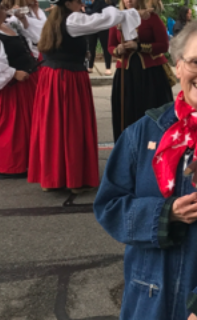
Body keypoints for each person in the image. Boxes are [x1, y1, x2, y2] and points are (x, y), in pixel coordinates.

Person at [94, 19, 197, 320]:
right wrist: (164, 215)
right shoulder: (142, 134)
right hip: (147, 300)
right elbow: (110, 207)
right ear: (178, 66)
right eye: (195, 62)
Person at [28, 0, 141, 192]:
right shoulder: (72, 20)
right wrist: (127, 12)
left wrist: (127, 13)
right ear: (70, 2)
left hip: (53, 76)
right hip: (67, 78)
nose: (82, 3)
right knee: (72, 126)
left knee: (54, 126)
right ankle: (73, 178)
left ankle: (53, 177)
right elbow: (104, 20)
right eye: (79, 1)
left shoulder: (55, 19)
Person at [0, 0, 39, 179]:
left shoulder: (8, 25)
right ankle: (11, 165)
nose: (4, 9)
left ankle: (27, 161)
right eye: (0, 8)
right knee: (11, 126)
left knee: (26, 124)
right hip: (8, 87)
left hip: (24, 82)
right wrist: (13, 73)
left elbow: (32, 41)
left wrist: (24, 21)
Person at [108, 0, 173, 142]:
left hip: (150, 74)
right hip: (126, 74)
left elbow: (163, 45)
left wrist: (139, 46)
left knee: (148, 109)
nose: (129, 1)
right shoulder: (118, 18)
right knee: (126, 112)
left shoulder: (151, 18)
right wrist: (117, 50)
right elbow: (110, 45)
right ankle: (126, 145)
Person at [85, 0, 114, 75]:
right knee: (91, 47)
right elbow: (87, 8)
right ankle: (90, 66)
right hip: (92, 26)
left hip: (103, 26)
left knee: (106, 47)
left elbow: (109, 8)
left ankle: (108, 68)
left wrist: (88, 10)